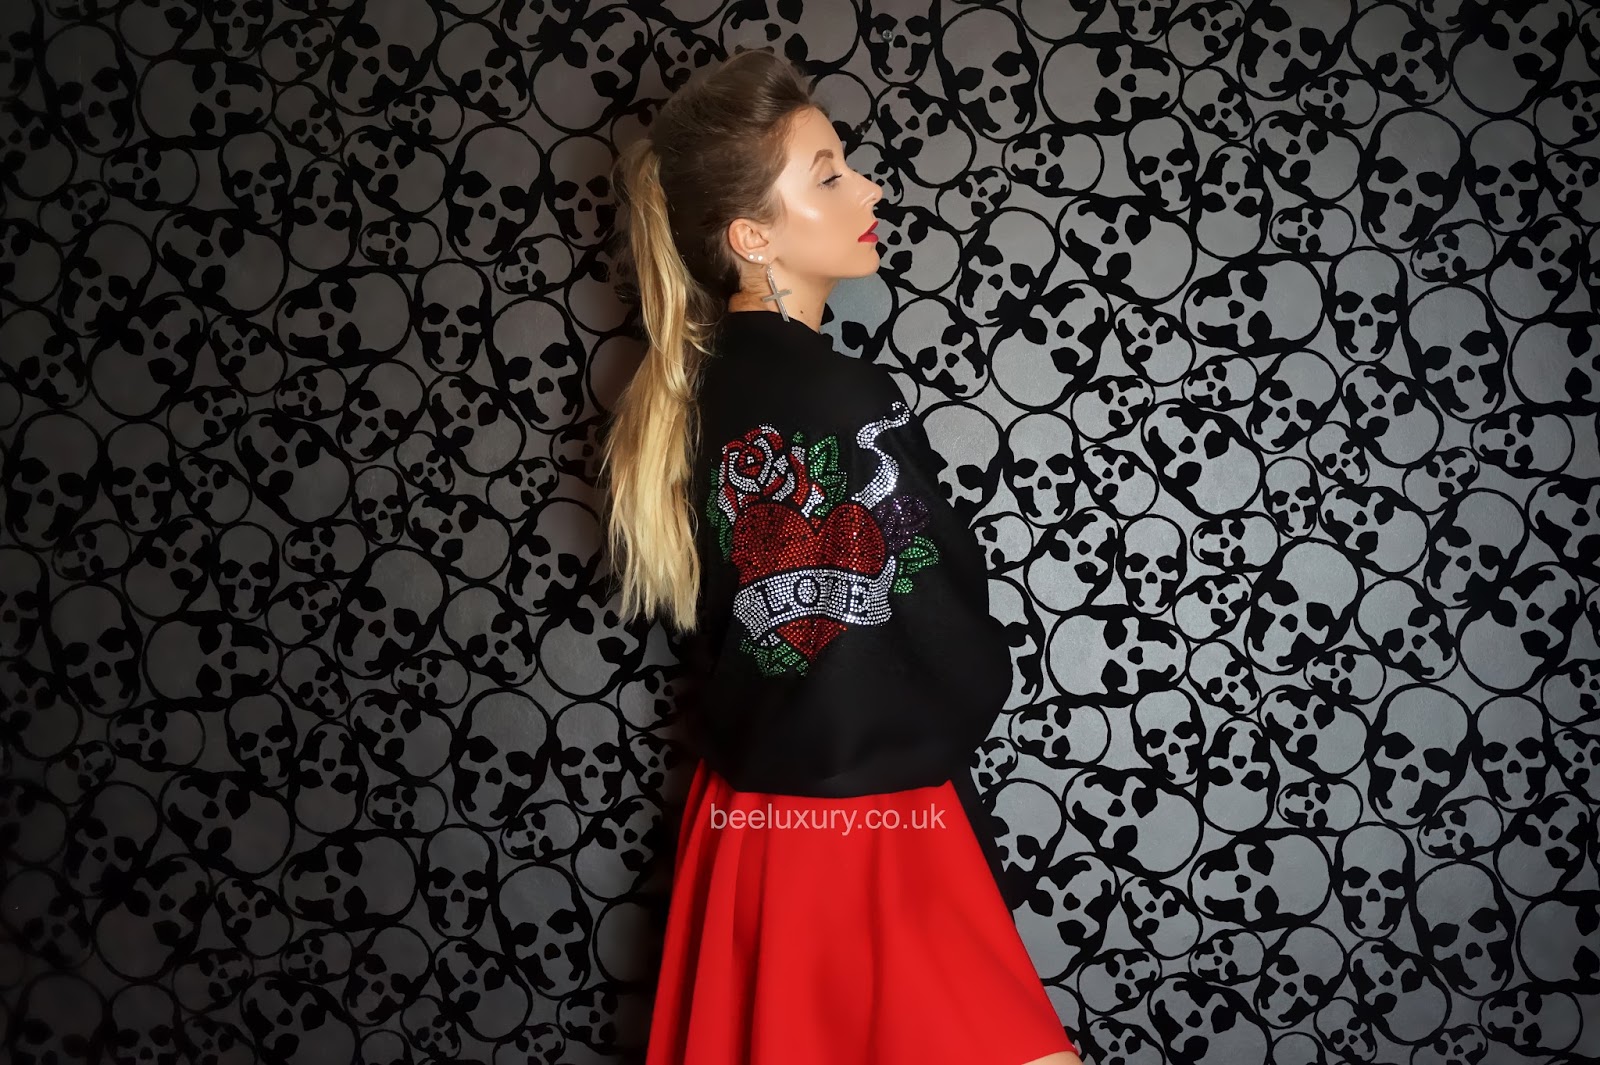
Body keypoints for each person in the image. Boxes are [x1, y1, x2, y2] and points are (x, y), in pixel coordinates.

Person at [598, 45, 1084, 1065]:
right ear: (752, 236)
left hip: (745, 827)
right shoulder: (841, 396)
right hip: (867, 824)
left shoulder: (683, 400)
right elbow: (936, 617)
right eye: (827, 175)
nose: (868, 189)